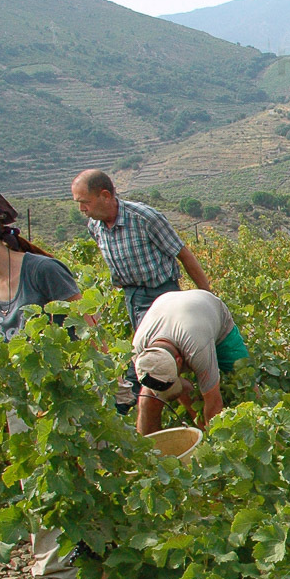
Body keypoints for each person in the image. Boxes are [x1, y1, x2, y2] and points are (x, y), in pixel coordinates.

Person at [0, 215, 92, 579]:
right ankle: (56, 577)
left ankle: (95, 562)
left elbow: (88, 324)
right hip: (20, 405)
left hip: (68, 396)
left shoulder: (42, 271)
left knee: (82, 477)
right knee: (38, 484)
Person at [71, 170, 211, 411]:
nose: (82, 208)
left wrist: (207, 296)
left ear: (105, 195)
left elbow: (183, 254)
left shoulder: (144, 218)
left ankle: (190, 412)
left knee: (158, 362)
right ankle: (180, 406)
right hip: (132, 297)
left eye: (85, 202)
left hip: (162, 295)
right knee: (155, 363)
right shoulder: (95, 227)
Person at [130, 289, 247, 436]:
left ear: (179, 360)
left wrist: (212, 442)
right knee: (147, 400)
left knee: (245, 375)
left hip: (207, 308)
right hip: (167, 304)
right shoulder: (139, 353)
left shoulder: (197, 348)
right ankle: (148, 448)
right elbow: (165, 386)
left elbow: (214, 404)